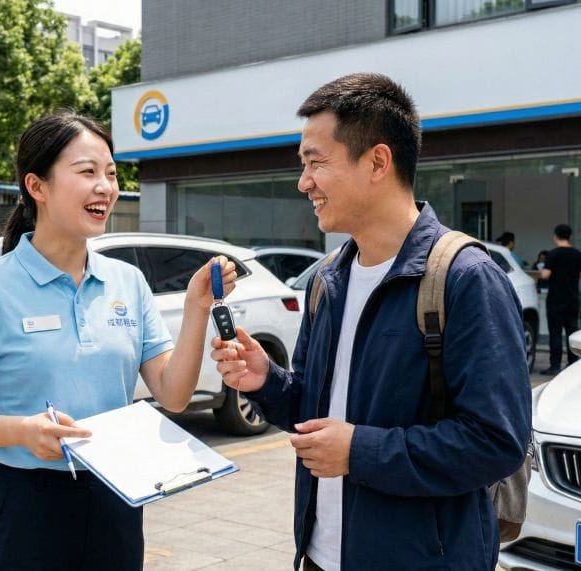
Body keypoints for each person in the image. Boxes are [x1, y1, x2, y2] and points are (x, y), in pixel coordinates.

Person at [210, 73, 531, 570]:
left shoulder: (465, 278)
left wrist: (360, 450)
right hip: (320, 556)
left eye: (316, 162)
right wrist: (266, 383)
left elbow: (496, 442)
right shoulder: (328, 281)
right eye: (303, 164)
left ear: (378, 161)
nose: (304, 182)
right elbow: (319, 416)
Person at [0, 112, 237, 570]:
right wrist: (24, 432)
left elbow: (173, 395)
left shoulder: (127, 282)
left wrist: (196, 308)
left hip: (117, 496)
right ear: (38, 186)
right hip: (24, 506)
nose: (106, 187)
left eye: (111, 174)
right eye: (87, 172)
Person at [539, 223, 581, 375]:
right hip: (572, 299)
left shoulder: (553, 254)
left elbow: (545, 275)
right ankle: (572, 364)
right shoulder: (577, 254)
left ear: (555, 236)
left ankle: (555, 365)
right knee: (572, 332)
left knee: (555, 333)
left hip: (556, 300)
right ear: (570, 236)